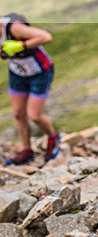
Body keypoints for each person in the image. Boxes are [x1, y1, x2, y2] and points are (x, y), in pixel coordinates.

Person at [1, 13, 60, 165]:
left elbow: (46, 37)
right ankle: (26, 150)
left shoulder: (14, 28)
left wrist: (21, 46)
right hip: (17, 73)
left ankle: (53, 136)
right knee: (18, 114)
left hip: (40, 71)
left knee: (34, 115)